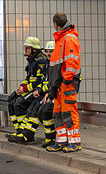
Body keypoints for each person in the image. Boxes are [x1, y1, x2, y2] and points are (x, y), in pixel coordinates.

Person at [42, 13, 82, 152]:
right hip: (59, 85)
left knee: (69, 113)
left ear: (55, 23)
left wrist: (66, 81)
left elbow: (71, 63)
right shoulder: (61, 39)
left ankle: (75, 142)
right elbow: (58, 65)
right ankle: (61, 140)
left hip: (67, 84)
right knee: (58, 113)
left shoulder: (68, 38)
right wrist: (53, 86)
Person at [6, 37, 48, 143]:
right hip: (31, 89)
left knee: (19, 103)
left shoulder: (40, 61)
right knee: (12, 100)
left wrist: (25, 89)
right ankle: (20, 131)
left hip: (38, 91)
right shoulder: (31, 60)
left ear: (34, 49)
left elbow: (39, 81)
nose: (25, 50)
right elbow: (29, 78)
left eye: (27, 48)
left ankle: (26, 134)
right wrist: (21, 87)